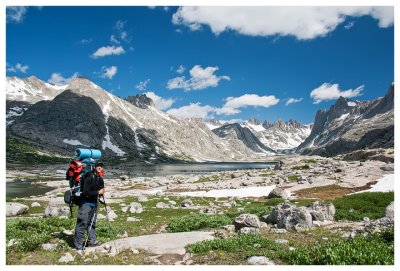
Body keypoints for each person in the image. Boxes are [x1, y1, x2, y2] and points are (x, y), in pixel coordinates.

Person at [74, 162, 105, 250]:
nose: (100, 167)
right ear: (94, 167)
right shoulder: (88, 176)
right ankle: (78, 245)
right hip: (85, 203)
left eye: (101, 166)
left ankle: (92, 241)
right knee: (82, 223)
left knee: (92, 223)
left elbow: (101, 189)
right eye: (98, 166)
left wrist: (101, 192)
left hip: (94, 203)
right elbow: (85, 192)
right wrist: (98, 192)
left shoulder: (100, 178)